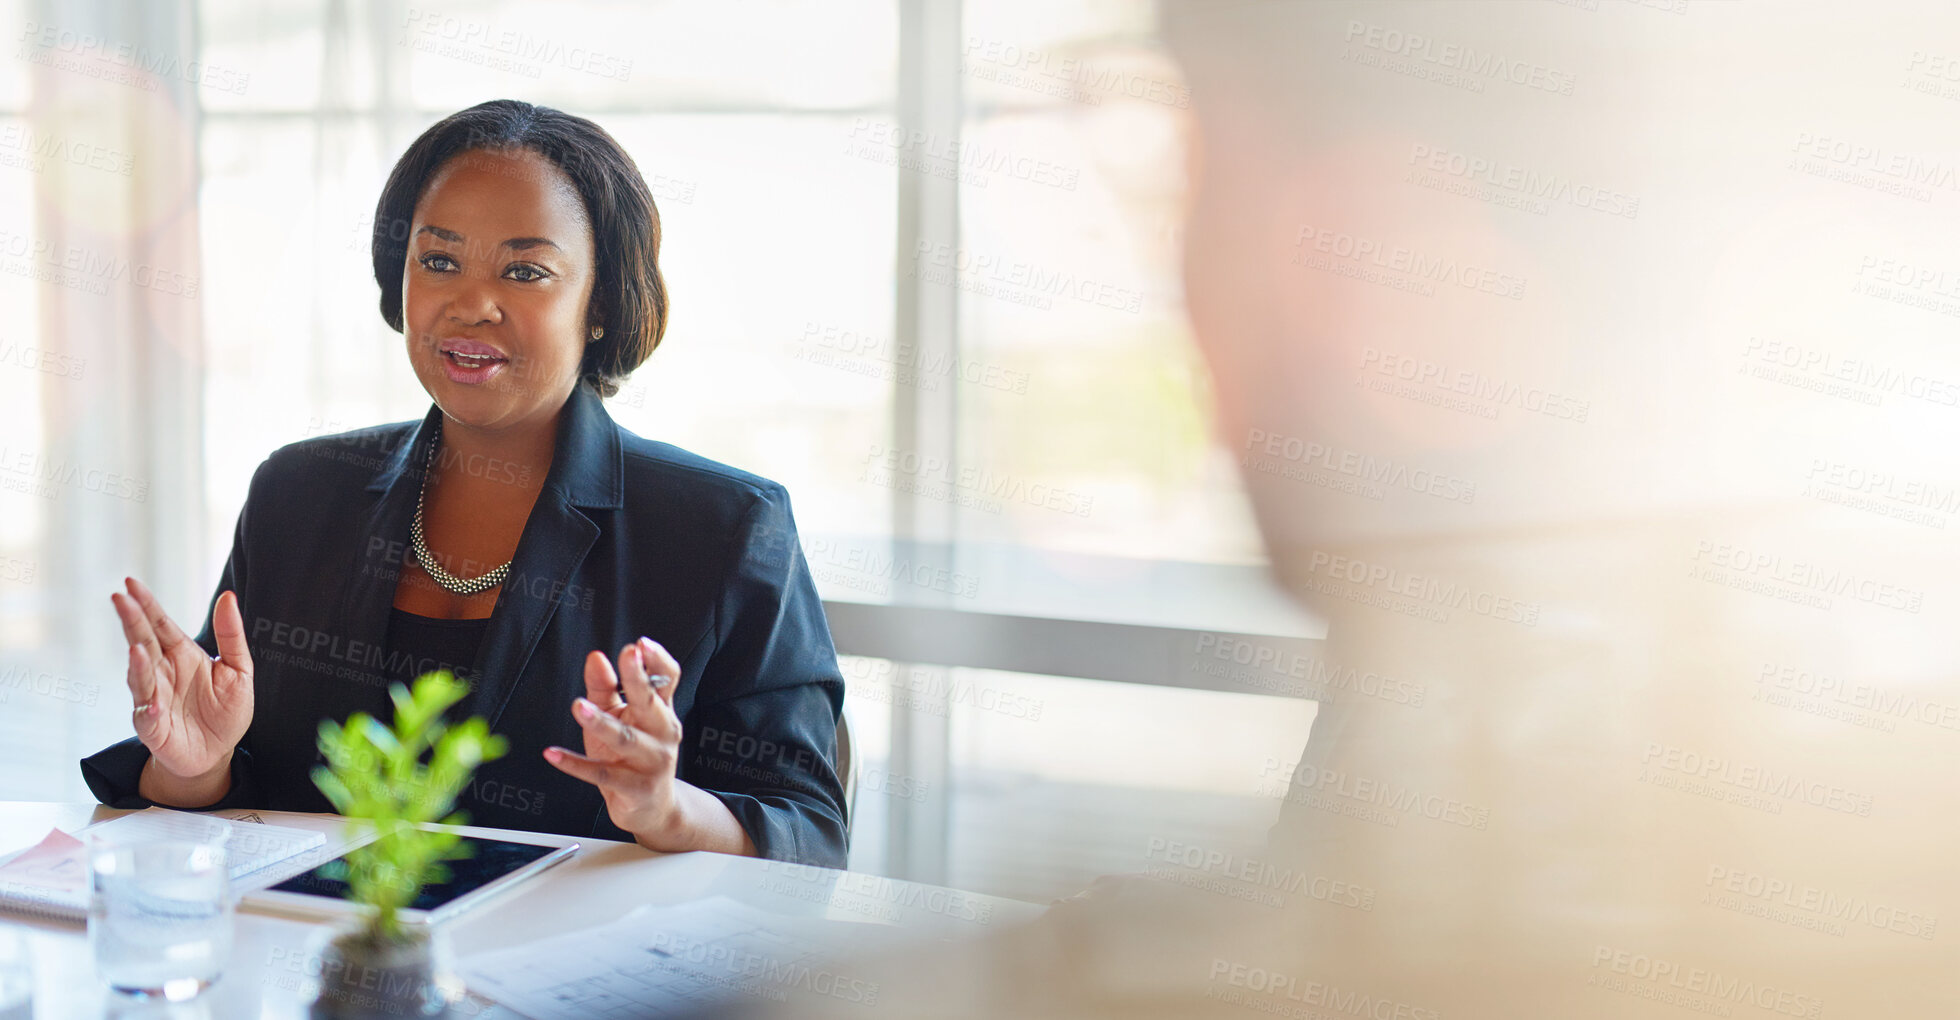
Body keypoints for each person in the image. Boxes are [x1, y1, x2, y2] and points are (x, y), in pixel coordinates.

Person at [79, 99, 850, 868]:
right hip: (325, 967)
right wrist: (196, 766)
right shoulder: (301, 493)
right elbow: (237, 787)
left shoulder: (723, 528)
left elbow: (806, 832)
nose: (471, 304)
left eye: (525, 271)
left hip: (571, 982)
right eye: (438, 260)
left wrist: (666, 809)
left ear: (602, 304)